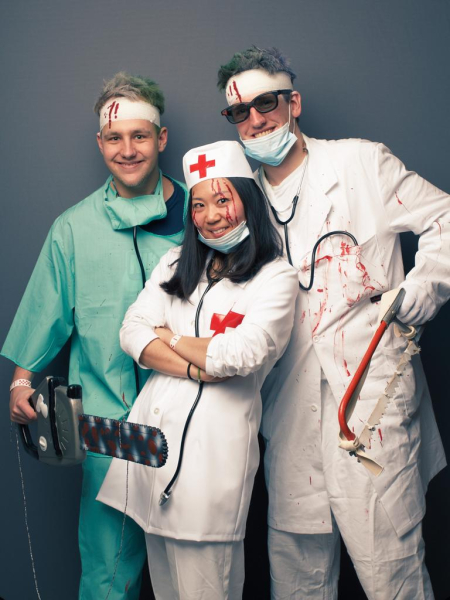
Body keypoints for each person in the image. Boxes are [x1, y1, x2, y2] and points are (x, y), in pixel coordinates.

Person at [217, 46, 449, 599]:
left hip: (370, 407)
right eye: (240, 112)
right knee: (298, 577)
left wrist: (426, 285)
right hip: (288, 410)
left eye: (267, 103)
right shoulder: (239, 201)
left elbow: (445, 217)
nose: (255, 120)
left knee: (391, 571)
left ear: (293, 102)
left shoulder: (360, 163)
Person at [2, 72, 188, 600]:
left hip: (191, 422)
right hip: (111, 429)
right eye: (114, 137)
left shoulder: (203, 215)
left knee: (196, 574)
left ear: (161, 138)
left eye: (140, 136)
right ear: (99, 143)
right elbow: (46, 312)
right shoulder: (73, 228)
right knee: (108, 575)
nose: (127, 150)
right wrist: (21, 383)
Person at [97, 140, 299, 600]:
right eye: (199, 205)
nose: (210, 216)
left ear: (247, 200)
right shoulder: (175, 263)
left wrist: (168, 337)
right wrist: (193, 366)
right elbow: (131, 332)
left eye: (222, 200)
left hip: (211, 460)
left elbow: (239, 354)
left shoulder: (276, 277)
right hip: (148, 448)